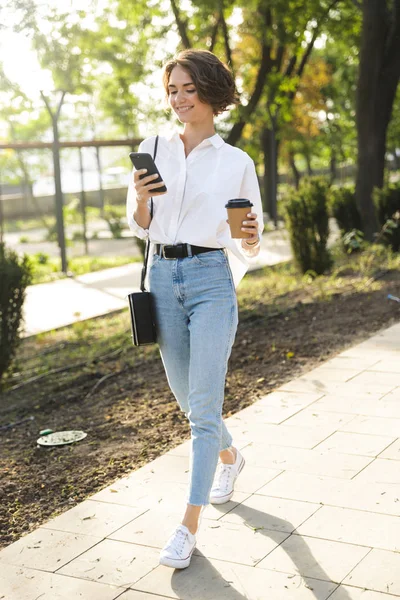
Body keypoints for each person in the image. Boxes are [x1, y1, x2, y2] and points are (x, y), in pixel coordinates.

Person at [126, 48, 263, 569]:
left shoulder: (236, 162)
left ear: (210, 91)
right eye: (173, 90)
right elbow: (140, 223)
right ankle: (229, 455)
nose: (179, 99)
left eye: (188, 88)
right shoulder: (152, 147)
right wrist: (141, 199)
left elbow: (249, 241)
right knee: (190, 402)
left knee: (202, 410)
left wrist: (249, 235)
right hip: (162, 276)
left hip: (210, 279)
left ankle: (187, 526)